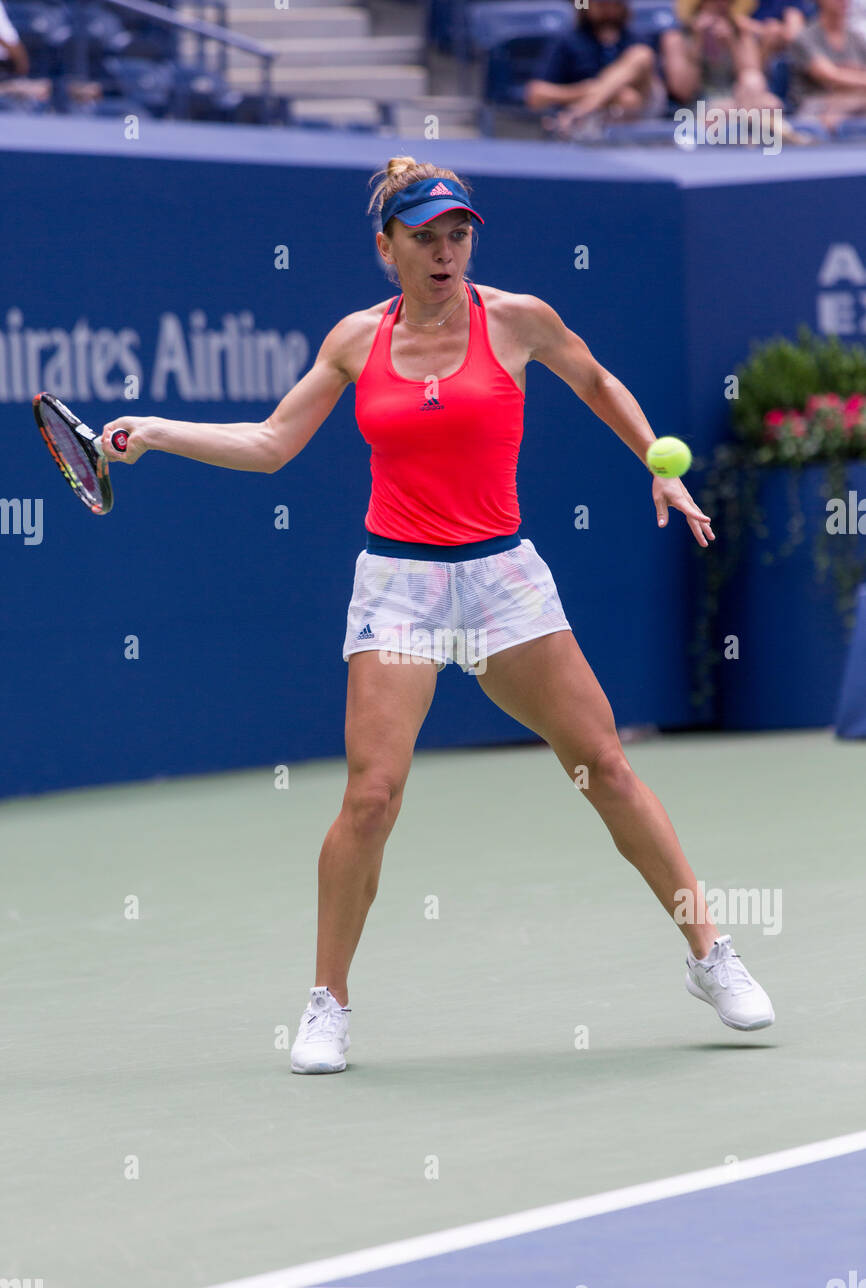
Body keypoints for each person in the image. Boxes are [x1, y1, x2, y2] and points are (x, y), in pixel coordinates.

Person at [99, 157, 776, 1075]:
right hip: (400, 586)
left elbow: (598, 381)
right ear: (387, 248)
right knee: (371, 797)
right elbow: (270, 444)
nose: (446, 252)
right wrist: (161, 432)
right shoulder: (353, 341)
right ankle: (327, 1003)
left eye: (458, 234)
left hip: (503, 579)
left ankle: (710, 956)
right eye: (425, 237)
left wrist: (658, 462)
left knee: (606, 766)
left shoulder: (519, 320)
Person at [524, 0, 673, 134]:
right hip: (597, 122)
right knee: (626, 98)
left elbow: (655, 89)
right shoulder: (569, 41)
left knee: (642, 55)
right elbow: (535, 95)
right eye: (601, 4)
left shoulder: (637, 38)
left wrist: (590, 95)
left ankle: (577, 113)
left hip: (644, 110)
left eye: (614, 3)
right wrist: (586, 90)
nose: (608, 9)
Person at [667, 0, 786, 117]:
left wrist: (731, 43)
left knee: (765, 96)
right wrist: (697, 43)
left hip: (739, 99)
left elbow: (753, 74)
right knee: (760, 109)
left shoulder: (741, 32)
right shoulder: (677, 37)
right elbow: (683, 91)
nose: (722, 5)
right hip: (700, 104)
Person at [787, 0, 866, 126]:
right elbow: (830, 76)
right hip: (813, 109)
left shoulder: (857, 40)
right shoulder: (805, 37)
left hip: (856, 105)